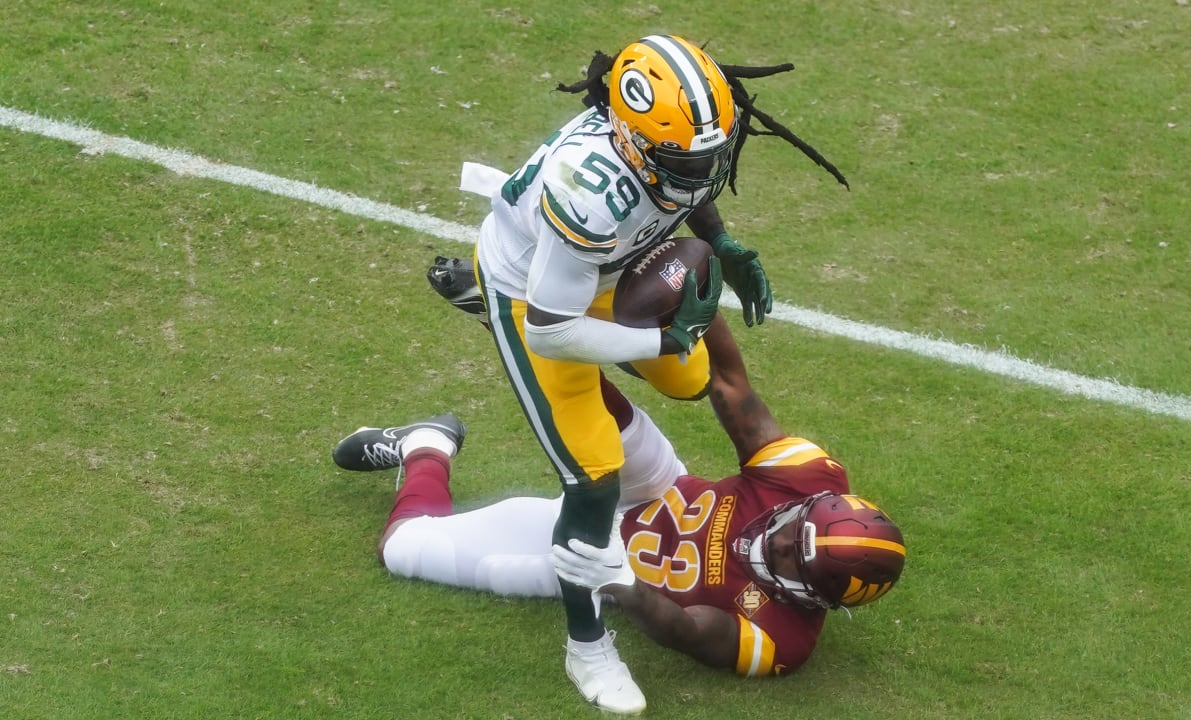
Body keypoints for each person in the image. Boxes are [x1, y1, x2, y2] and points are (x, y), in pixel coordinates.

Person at [440, 34, 850, 713]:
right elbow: (554, 329)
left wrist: (719, 243)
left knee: (689, 378)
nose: (705, 168)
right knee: (593, 473)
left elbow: (680, 192)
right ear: (631, 143)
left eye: (709, 153)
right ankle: (587, 646)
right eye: (687, 158)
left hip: (601, 271)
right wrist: (657, 332)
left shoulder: (662, 149)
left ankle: (617, 345)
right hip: (534, 298)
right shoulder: (589, 195)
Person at [332, 315, 906, 713]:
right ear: (812, 506)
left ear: (811, 596)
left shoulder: (785, 640)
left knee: (403, 549)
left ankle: (425, 446)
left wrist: (623, 586)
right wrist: (701, 303)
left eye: (787, 557)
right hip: (657, 487)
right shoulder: (810, 479)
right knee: (593, 402)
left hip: (605, 559)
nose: (771, 540)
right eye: (791, 528)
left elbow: (690, 631)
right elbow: (730, 385)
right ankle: (505, 313)